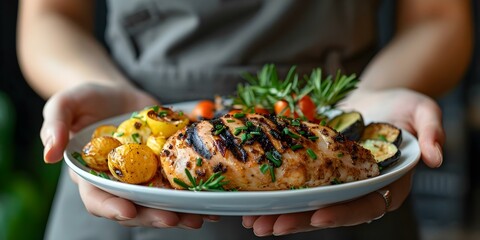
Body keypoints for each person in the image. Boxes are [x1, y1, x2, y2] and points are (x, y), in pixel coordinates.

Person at [17, 0, 472, 239]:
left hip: (349, 185)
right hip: (130, 198)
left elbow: (439, 16)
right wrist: (113, 100)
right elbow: (48, 17)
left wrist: (371, 99)